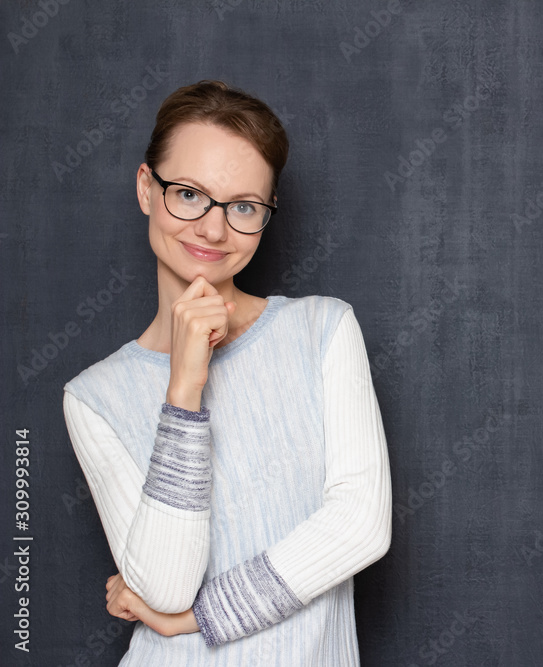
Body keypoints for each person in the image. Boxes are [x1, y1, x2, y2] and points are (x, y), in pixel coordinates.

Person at [62, 80, 392, 666]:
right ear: (146, 188)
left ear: (265, 216)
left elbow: (360, 527)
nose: (213, 230)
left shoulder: (322, 330)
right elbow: (163, 587)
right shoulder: (93, 397)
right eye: (188, 194)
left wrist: (197, 618)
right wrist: (184, 392)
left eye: (243, 207)